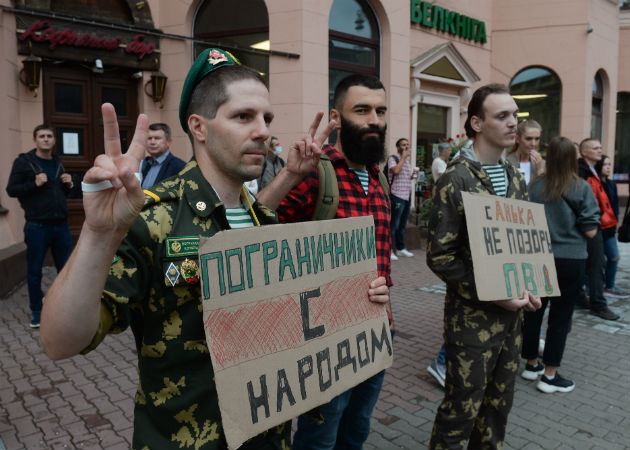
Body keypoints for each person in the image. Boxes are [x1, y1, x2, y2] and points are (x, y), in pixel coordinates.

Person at [40, 48, 390, 450]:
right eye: (243, 117)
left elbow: (297, 315)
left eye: (266, 118)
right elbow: (59, 342)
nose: (262, 130)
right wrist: (100, 233)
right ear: (199, 127)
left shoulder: (264, 221)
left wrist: (357, 299)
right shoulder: (154, 219)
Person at [258, 74, 393, 450]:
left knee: (357, 431)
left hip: (376, 331)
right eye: (362, 110)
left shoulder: (378, 178)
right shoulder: (316, 172)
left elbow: (382, 256)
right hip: (325, 340)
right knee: (319, 438)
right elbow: (255, 231)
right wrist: (289, 174)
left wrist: (384, 285)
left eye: (381, 111)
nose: (374, 120)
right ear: (337, 116)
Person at [426, 83, 541, 450]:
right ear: (476, 123)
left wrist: (530, 283)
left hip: (512, 320)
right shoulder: (456, 178)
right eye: (502, 116)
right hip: (472, 322)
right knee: (461, 413)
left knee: (497, 411)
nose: (513, 124)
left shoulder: (516, 178)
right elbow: (440, 256)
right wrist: (494, 293)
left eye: (515, 116)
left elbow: (521, 246)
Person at [521, 136, 600, 393]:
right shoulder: (581, 187)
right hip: (570, 259)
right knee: (560, 317)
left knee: (533, 311)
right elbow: (590, 231)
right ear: (571, 158)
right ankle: (550, 376)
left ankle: (531, 365)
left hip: (538, 256)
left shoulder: (534, 186)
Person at [6, 125, 73, 328]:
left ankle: (65, 309)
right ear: (35, 140)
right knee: (35, 272)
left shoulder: (56, 162)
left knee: (67, 271)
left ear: (54, 141)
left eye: (49, 136)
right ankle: (37, 311)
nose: (46, 139)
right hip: (37, 226)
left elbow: (58, 194)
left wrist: (68, 185)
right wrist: (33, 184)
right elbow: (11, 190)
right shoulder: (24, 162)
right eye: (42, 136)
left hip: (61, 226)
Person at [577, 138, 620, 320]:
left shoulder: (591, 171)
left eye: (600, 147)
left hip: (595, 224)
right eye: (595, 148)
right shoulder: (583, 172)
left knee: (591, 265)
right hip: (589, 226)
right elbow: (582, 201)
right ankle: (598, 304)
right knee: (596, 266)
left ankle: (582, 298)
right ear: (584, 152)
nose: (599, 150)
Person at [594, 155, 625, 297]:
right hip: (599, 228)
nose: (608, 167)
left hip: (610, 227)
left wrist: (615, 223)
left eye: (609, 164)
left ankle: (609, 286)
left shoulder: (612, 184)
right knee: (597, 261)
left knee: (614, 257)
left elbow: (615, 206)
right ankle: (593, 287)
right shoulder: (594, 183)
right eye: (605, 164)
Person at [388, 138, 416, 261]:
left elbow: (405, 177)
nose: (405, 147)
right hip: (397, 195)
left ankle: (400, 249)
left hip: (407, 196)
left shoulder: (407, 162)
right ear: (398, 147)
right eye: (403, 145)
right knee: (394, 224)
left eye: (407, 145)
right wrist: (403, 157)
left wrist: (413, 175)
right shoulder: (393, 158)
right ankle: (389, 250)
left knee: (402, 225)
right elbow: (395, 171)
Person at [140, 122, 186, 189]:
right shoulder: (143, 165)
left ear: (168, 142)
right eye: (149, 138)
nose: (152, 142)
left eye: (157, 138)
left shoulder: (179, 167)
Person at [505, 119, 545, 185]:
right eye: (528, 139)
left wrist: (540, 170)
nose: (533, 144)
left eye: (537, 139)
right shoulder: (507, 163)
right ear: (517, 139)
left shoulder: (542, 164)